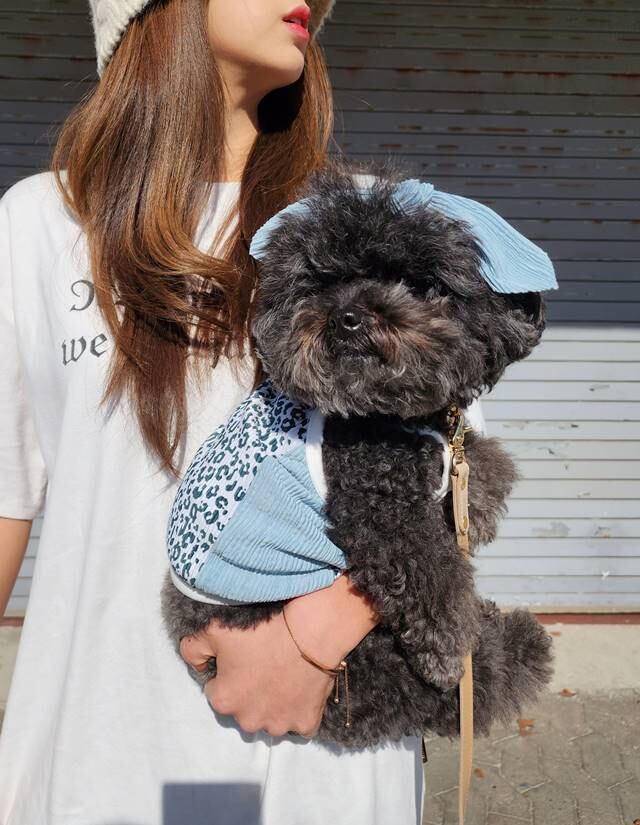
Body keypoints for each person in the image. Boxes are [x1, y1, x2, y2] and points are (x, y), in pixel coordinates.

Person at [0, 0, 492, 822]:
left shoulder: (372, 222)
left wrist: (316, 635)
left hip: (327, 764)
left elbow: (452, 479)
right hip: (100, 757)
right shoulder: (44, 223)